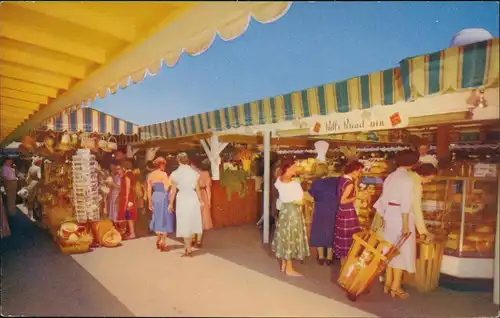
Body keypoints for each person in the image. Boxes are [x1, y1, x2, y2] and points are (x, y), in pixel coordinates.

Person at [373, 150, 420, 299]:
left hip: (389, 215)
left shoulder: (390, 177)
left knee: (390, 250)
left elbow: (383, 198)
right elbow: (406, 203)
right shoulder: (407, 179)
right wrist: (406, 225)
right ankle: (396, 286)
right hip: (401, 216)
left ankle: (388, 283)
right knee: (401, 250)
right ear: (413, 163)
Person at [271, 160, 310, 276]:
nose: (295, 169)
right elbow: (299, 200)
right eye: (293, 168)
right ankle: (289, 268)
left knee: (284, 237)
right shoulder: (295, 184)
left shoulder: (278, 181)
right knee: (292, 238)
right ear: (286, 169)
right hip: (293, 212)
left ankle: (283, 264)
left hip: (284, 212)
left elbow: (280, 197)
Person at [168, 152, 203, 257]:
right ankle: (189, 247)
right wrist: (201, 200)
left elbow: (173, 191)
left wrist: (170, 203)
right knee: (191, 221)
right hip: (192, 197)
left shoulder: (175, 173)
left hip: (182, 197)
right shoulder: (194, 173)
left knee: (183, 221)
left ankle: (187, 247)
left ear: (178, 161)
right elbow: (198, 189)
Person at [333, 160, 365, 265]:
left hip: (342, 212)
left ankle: (344, 265)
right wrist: (357, 196)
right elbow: (343, 200)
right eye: (359, 171)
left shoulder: (343, 179)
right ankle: (346, 267)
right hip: (348, 212)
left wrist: (356, 183)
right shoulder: (349, 183)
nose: (360, 173)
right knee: (349, 238)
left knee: (343, 239)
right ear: (354, 171)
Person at [308, 162, 339, 266]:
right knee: (331, 231)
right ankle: (329, 257)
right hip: (333, 208)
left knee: (319, 230)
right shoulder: (334, 181)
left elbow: (311, 195)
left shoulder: (316, 183)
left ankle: (321, 257)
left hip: (320, 208)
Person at [148, 156, 175, 252]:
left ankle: (158, 239)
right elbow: (167, 187)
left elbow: (149, 190)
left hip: (155, 196)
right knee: (164, 218)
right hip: (163, 197)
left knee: (157, 217)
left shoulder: (151, 175)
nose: (165, 166)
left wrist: (150, 202)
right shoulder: (164, 174)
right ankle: (163, 242)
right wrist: (172, 182)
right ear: (161, 164)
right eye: (164, 164)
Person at [409, 163, 438, 242]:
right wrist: (423, 232)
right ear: (422, 175)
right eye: (429, 179)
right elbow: (416, 209)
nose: (429, 181)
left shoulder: (409, 175)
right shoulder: (416, 184)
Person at [191, 160, 213, 248]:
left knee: (193, 217)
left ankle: (193, 239)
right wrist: (209, 200)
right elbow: (208, 188)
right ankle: (199, 241)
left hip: (193, 194)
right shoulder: (206, 173)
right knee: (201, 218)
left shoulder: (192, 173)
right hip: (203, 194)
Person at [118, 160, 138, 239]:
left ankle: (132, 233)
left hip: (128, 197)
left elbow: (128, 187)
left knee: (128, 216)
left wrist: (126, 200)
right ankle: (130, 232)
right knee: (129, 216)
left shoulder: (127, 174)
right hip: (130, 196)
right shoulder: (131, 174)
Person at [25, 156, 43, 221]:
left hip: (31, 185)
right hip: (36, 186)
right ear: (39, 162)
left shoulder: (31, 168)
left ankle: (30, 214)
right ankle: (38, 216)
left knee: (31, 200)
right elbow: (39, 177)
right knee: (38, 201)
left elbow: (27, 178)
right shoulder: (38, 168)